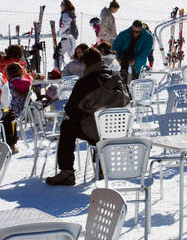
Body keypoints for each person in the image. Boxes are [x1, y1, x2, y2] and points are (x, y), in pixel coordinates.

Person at [45, 47, 128, 186]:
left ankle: (67, 172)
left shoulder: (85, 83)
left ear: (84, 64)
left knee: (67, 125)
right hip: (120, 129)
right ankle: (102, 167)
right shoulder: (117, 79)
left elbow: (71, 110)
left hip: (95, 131)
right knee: (93, 124)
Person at [57, 0, 79, 67]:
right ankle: (76, 69)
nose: (60, 6)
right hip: (71, 36)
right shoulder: (71, 13)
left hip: (66, 36)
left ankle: (57, 70)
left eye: (61, 5)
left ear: (65, 6)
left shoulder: (66, 14)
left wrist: (59, 32)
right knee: (72, 54)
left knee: (59, 54)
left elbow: (65, 24)